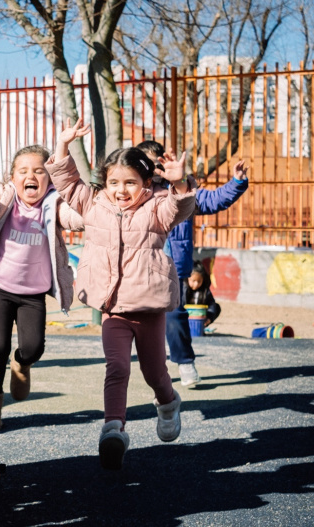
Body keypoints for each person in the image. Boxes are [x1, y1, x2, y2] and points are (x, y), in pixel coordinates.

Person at [48, 117, 196, 470]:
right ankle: (113, 427)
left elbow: (180, 207)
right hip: (113, 309)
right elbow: (67, 182)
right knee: (116, 368)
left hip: (148, 308)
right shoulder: (94, 204)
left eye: (131, 182)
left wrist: (179, 184)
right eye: (114, 181)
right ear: (105, 183)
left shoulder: (157, 207)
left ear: (147, 182)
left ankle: (168, 403)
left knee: (154, 371)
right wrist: (63, 145)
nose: (121, 189)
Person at [0, 149, 82, 430]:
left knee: (33, 348)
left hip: (33, 293)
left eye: (38, 171)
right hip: (0, 288)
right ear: (12, 177)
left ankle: (22, 365)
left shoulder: (53, 205)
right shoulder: (4, 199)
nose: (31, 176)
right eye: (23, 171)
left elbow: (78, 219)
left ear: (49, 179)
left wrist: (74, 190)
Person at [136, 140, 248, 387]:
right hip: (136, 268)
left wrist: (237, 182)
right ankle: (140, 369)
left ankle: (185, 363)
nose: (152, 170)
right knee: (132, 321)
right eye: (145, 164)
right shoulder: (131, 193)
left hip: (171, 268)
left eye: (157, 165)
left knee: (174, 316)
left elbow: (213, 200)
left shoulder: (182, 191)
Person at [186, 262, 221, 326]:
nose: (196, 284)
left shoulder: (205, 291)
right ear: (188, 278)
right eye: (193, 281)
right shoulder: (184, 289)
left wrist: (209, 318)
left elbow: (212, 305)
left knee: (217, 307)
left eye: (199, 281)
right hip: (186, 318)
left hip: (200, 318)